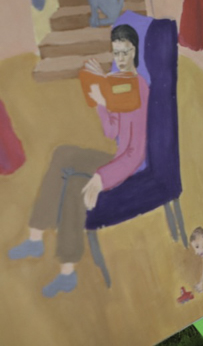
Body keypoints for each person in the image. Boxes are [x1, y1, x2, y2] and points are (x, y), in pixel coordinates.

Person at [7, 25, 149, 297]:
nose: (120, 58)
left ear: (135, 50)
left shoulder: (139, 87)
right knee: (65, 161)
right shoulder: (117, 81)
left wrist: (101, 177)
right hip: (118, 158)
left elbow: (136, 152)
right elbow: (112, 132)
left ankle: (55, 259)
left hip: (131, 167)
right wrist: (101, 100)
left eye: (125, 52)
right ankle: (45, 248)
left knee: (75, 180)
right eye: (116, 52)